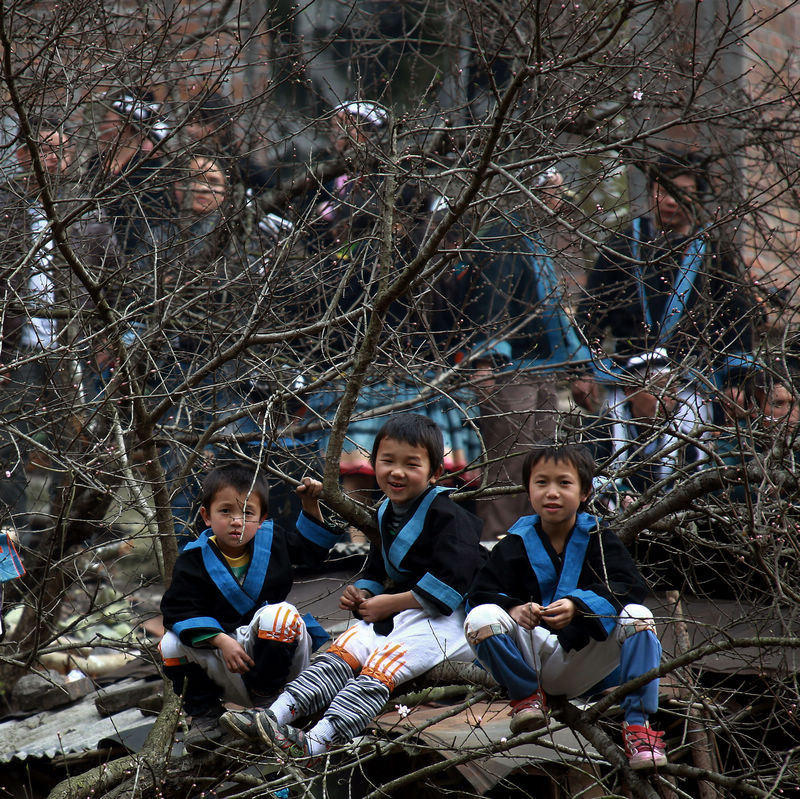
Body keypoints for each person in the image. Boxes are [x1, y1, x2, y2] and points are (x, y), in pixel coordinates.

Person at [221, 413, 485, 762]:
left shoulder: (450, 515)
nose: (396, 472)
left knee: (382, 668)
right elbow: (378, 567)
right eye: (387, 461)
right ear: (373, 462)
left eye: (411, 464)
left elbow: (454, 582)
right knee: (343, 649)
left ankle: (317, 742)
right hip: (405, 610)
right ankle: (273, 717)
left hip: (450, 618)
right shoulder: (385, 511)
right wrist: (364, 593)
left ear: (435, 472)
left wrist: (389, 604)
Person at [464, 443, 667, 770]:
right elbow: (481, 592)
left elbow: (630, 586)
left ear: (585, 492)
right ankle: (525, 699)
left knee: (638, 616)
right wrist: (515, 610)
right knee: (480, 617)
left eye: (564, 483)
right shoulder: (514, 542)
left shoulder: (600, 537)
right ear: (528, 490)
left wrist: (578, 606)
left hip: (583, 660)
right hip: (532, 659)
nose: (552, 492)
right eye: (541, 483)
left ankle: (638, 726)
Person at [159, 462, 345, 750]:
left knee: (279, 614)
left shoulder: (273, 539)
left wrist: (309, 502)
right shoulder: (192, 560)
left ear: (262, 518)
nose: (237, 521)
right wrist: (221, 641)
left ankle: (273, 705)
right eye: (226, 511)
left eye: (247, 512)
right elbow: (177, 610)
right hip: (232, 659)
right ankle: (205, 717)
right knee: (169, 645)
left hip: (281, 662)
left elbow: (311, 553)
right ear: (207, 516)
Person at [574, 151, 758, 414]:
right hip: (629, 382)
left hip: (693, 386)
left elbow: (735, 322)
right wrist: (582, 371)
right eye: (663, 190)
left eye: (682, 191)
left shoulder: (714, 254)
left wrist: (736, 381)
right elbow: (590, 313)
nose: (672, 200)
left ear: (696, 196)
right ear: (650, 192)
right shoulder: (621, 247)